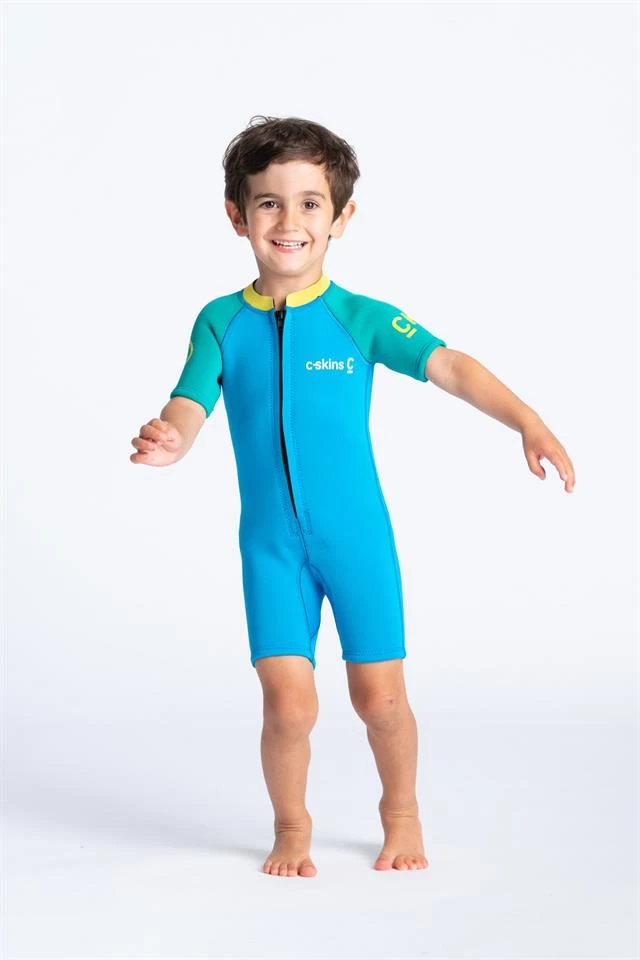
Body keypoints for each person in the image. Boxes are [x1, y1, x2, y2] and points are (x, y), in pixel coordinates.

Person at [130, 115, 576, 879]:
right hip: (271, 546)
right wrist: (172, 437)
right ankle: (291, 826)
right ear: (237, 215)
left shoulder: (358, 319)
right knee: (288, 706)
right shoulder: (220, 319)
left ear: (341, 217)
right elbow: (190, 399)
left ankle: (400, 813)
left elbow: (450, 365)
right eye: (269, 203)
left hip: (358, 541)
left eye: (310, 203)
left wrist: (527, 420)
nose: (290, 220)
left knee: (380, 699)